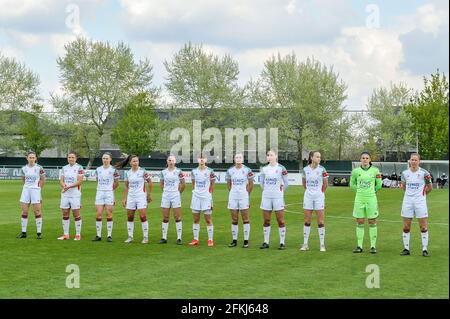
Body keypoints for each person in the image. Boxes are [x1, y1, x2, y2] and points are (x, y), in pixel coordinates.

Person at [400, 153, 433, 257]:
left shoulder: (424, 173)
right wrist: (410, 195)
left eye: (415, 160)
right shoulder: (405, 173)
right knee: (406, 227)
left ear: (419, 161)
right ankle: (406, 249)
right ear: (409, 161)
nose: (413, 162)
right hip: (407, 202)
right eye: (412, 160)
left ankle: (424, 249)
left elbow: (430, 187)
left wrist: (422, 195)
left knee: (423, 227)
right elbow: (404, 187)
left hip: (420, 202)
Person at [350, 151, 382, 254]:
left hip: (371, 199)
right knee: (360, 221)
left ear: (370, 160)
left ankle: (373, 246)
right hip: (359, 199)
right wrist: (359, 192)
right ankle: (359, 246)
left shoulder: (375, 171)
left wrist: (372, 192)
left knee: (372, 221)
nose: (365, 160)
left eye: (367, 158)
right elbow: (352, 184)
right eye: (363, 158)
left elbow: (379, 184)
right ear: (360, 160)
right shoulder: (355, 171)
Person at [117, 155, 152, 244]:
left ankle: (145, 237)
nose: (136, 162)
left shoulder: (143, 171)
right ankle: (130, 237)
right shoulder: (128, 173)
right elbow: (126, 186)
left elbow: (150, 182)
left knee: (143, 216)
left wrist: (148, 194)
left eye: (137, 161)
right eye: (134, 161)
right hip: (131, 197)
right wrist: (125, 198)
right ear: (130, 163)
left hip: (141, 196)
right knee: (130, 217)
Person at [259, 150, 289, 250]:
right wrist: (267, 190)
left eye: (271, 155)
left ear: (276, 156)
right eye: (268, 155)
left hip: (278, 197)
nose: (269, 157)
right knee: (266, 220)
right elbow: (262, 183)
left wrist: (280, 192)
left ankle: (282, 243)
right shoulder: (264, 169)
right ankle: (266, 242)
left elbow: (286, 183)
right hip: (266, 197)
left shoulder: (281, 168)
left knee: (280, 220)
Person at [300, 151, 329, 252]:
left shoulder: (322, 169)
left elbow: (325, 184)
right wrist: (309, 192)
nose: (319, 159)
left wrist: (320, 193)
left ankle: (322, 244)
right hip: (308, 197)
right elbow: (304, 183)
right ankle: (305, 244)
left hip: (319, 197)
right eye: (317, 157)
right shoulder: (305, 169)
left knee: (320, 221)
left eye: (320, 157)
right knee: (307, 221)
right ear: (311, 157)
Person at [225, 153, 254, 248]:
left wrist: (246, 194)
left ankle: (246, 241)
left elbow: (251, 184)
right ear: (234, 159)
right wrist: (233, 192)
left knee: (245, 219)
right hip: (233, 196)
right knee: (234, 219)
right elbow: (229, 184)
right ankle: (234, 240)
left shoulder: (247, 170)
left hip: (243, 196)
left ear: (242, 159)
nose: (238, 159)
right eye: (236, 157)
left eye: (240, 157)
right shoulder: (230, 170)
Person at [92, 152, 120, 242]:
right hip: (99, 192)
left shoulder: (113, 170)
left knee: (109, 214)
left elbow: (117, 183)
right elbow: (97, 180)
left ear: (110, 159)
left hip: (109, 193)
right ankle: (98, 235)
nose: (105, 160)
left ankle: (109, 235)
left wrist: (111, 191)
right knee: (98, 213)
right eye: (104, 158)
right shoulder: (98, 169)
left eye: (107, 158)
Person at [17, 151, 45, 239]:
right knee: (24, 211)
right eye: (30, 157)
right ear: (27, 158)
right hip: (26, 190)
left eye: (33, 157)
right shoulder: (24, 168)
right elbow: (23, 179)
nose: (32, 159)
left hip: (35, 191)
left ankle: (39, 233)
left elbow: (43, 179)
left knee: (37, 211)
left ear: (36, 158)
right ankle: (23, 233)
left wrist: (37, 188)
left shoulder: (39, 168)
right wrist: (27, 187)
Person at [189, 153, 216, 247]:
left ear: (206, 160)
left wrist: (209, 195)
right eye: (200, 158)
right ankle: (196, 239)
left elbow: (213, 184)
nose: (201, 160)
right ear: (197, 159)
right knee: (195, 219)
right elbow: (193, 183)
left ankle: (210, 240)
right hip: (196, 197)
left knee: (208, 219)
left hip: (206, 198)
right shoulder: (193, 171)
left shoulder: (210, 171)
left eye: (203, 158)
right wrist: (195, 191)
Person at [57, 152, 85, 240]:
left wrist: (68, 186)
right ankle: (66, 235)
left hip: (75, 194)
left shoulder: (79, 168)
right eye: (69, 157)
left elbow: (80, 181)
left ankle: (78, 235)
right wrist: (63, 185)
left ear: (76, 158)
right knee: (65, 213)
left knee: (76, 214)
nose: (71, 159)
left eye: (73, 157)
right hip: (65, 194)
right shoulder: (64, 168)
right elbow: (61, 180)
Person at [159, 155, 185, 245]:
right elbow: (161, 184)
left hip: (175, 195)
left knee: (177, 217)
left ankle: (179, 238)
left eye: (172, 160)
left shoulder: (178, 171)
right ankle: (164, 237)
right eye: (169, 160)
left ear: (175, 161)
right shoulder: (163, 172)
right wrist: (166, 191)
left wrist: (178, 193)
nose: (171, 162)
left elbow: (183, 184)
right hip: (166, 196)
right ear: (167, 161)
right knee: (165, 217)